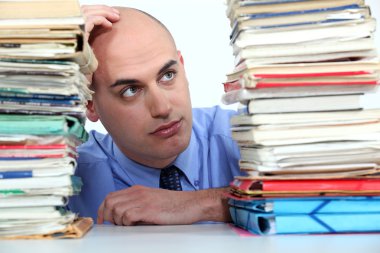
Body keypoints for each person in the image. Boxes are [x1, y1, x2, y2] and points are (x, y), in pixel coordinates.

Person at [68, 5, 244, 226]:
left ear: (183, 68)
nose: (162, 108)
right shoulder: (66, 171)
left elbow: (302, 193)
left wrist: (200, 203)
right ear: (89, 104)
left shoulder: (244, 139)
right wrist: (51, 70)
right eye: (130, 90)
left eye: (168, 75)